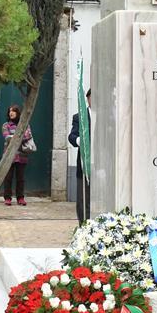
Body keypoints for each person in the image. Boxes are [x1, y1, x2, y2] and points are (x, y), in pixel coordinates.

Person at [67, 88, 92, 223]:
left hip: (102, 165)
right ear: (87, 99)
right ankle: (84, 225)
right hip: (84, 164)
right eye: (92, 97)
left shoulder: (107, 116)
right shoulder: (79, 117)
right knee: (83, 199)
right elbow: (72, 136)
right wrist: (79, 141)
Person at [1, 104, 31, 206]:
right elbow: (6, 136)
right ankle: (7, 198)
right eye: (10, 111)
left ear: (18, 113)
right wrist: (19, 136)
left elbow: (28, 135)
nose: (11, 113)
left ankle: (20, 198)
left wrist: (15, 136)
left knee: (20, 178)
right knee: (8, 177)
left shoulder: (24, 124)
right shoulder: (6, 125)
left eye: (13, 111)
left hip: (21, 156)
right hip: (9, 156)